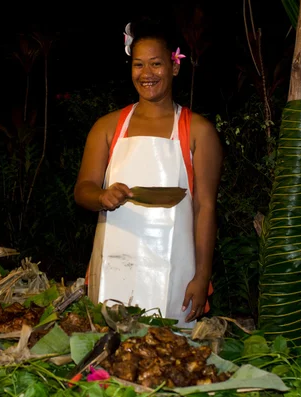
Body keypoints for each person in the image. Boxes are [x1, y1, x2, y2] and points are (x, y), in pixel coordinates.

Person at [74, 17, 223, 328]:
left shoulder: (198, 130)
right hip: (113, 266)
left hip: (175, 270)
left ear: (174, 67)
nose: (146, 74)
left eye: (156, 64)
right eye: (138, 65)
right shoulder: (107, 126)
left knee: (169, 358)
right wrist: (102, 196)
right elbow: (83, 190)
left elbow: (205, 207)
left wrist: (202, 275)